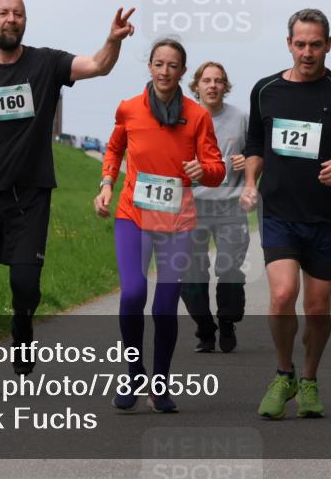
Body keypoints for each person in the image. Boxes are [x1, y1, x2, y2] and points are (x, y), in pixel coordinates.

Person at [0, 0, 135, 389]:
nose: (11, 19)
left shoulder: (46, 63)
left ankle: (22, 326)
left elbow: (97, 66)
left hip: (30, 196)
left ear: (26, 21)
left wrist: (112, 40)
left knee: (25, 287)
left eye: (19, 13)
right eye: (3, 13)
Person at [239, 8, 331, 419]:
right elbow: (255, 145)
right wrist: (249, 182)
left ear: (328, 45)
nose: (308, 52)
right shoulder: (265, 90)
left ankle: (310, 379)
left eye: (316, 44)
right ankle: (284, 374)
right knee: (282, 295)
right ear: (288, 44)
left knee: (317, 308)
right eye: (300, 44)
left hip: (325, 218)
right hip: (278, 211)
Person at [94, 39, 225, 413]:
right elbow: (115, 149)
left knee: (165, 306)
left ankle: (160, 382)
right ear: (149, 67)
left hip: (178, 222)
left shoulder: (197, 116)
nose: (165, 72)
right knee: (133, 294)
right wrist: (106, 184)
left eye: (173, 66)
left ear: (184, 72)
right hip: (133, 216)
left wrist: (205, 170)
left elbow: (216, 170)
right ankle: (134, 371)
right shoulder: (129, 109)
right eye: (158, 64)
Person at [180, 62, 250, 353]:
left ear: (225, 86)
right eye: (206, 80)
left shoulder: (241, 118)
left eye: (218, 81)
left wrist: (247, 163)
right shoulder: (182, 117)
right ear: (196, 86)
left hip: (230, 205)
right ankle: (205, 327)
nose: (212, 86)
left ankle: (228, 320)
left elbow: (257, 155)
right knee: (192, 273)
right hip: (192, 206)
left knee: (229, 268)